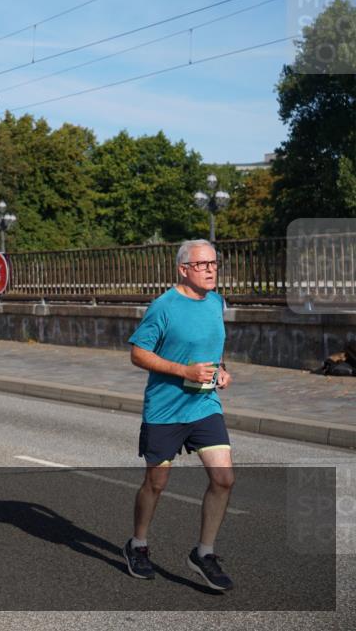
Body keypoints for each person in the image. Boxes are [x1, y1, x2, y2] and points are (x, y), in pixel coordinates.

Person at [124, 239, 235, 591]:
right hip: (166, 409)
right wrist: (183, 371)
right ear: (183, 269)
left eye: (214, 263)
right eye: (202, 264)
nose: (210, 269)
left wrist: (222, 370)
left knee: (224, 479)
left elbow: (211, 349)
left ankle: (204, 553)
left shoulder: (217, 302)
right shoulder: (164, 306)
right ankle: (137, 544)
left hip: (204, 406)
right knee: (156, 484)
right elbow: (138, 354)